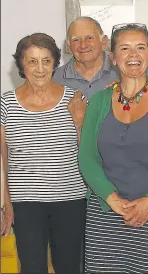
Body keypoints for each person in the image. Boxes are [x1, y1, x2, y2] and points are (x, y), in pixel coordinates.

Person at [78, 23, 148, 273]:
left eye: (140, 47)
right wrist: (112, 199)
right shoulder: (98, 101)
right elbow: (86, 157)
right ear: (113, 57)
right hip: (106, 214)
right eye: (125, 48)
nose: (133, 55)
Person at [0, 33, 87, 273]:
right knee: (32, 267)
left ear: (54, 63)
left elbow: (89, 153)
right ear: (21, 65)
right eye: (32, 61)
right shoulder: (5, 104)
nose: (40, 69)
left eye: (46, 61)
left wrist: (79, 123)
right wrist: (6, 202)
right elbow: (3, 159)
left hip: (70, 200)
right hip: (26, 203)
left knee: (68, 267)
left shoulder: (75, 99)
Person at [53, 16, 119, 100]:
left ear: (104, 41)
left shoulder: (122, 73)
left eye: (89, 38)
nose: (83, 45)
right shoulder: (55, 79)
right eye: (76, 40)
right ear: (68, 46)